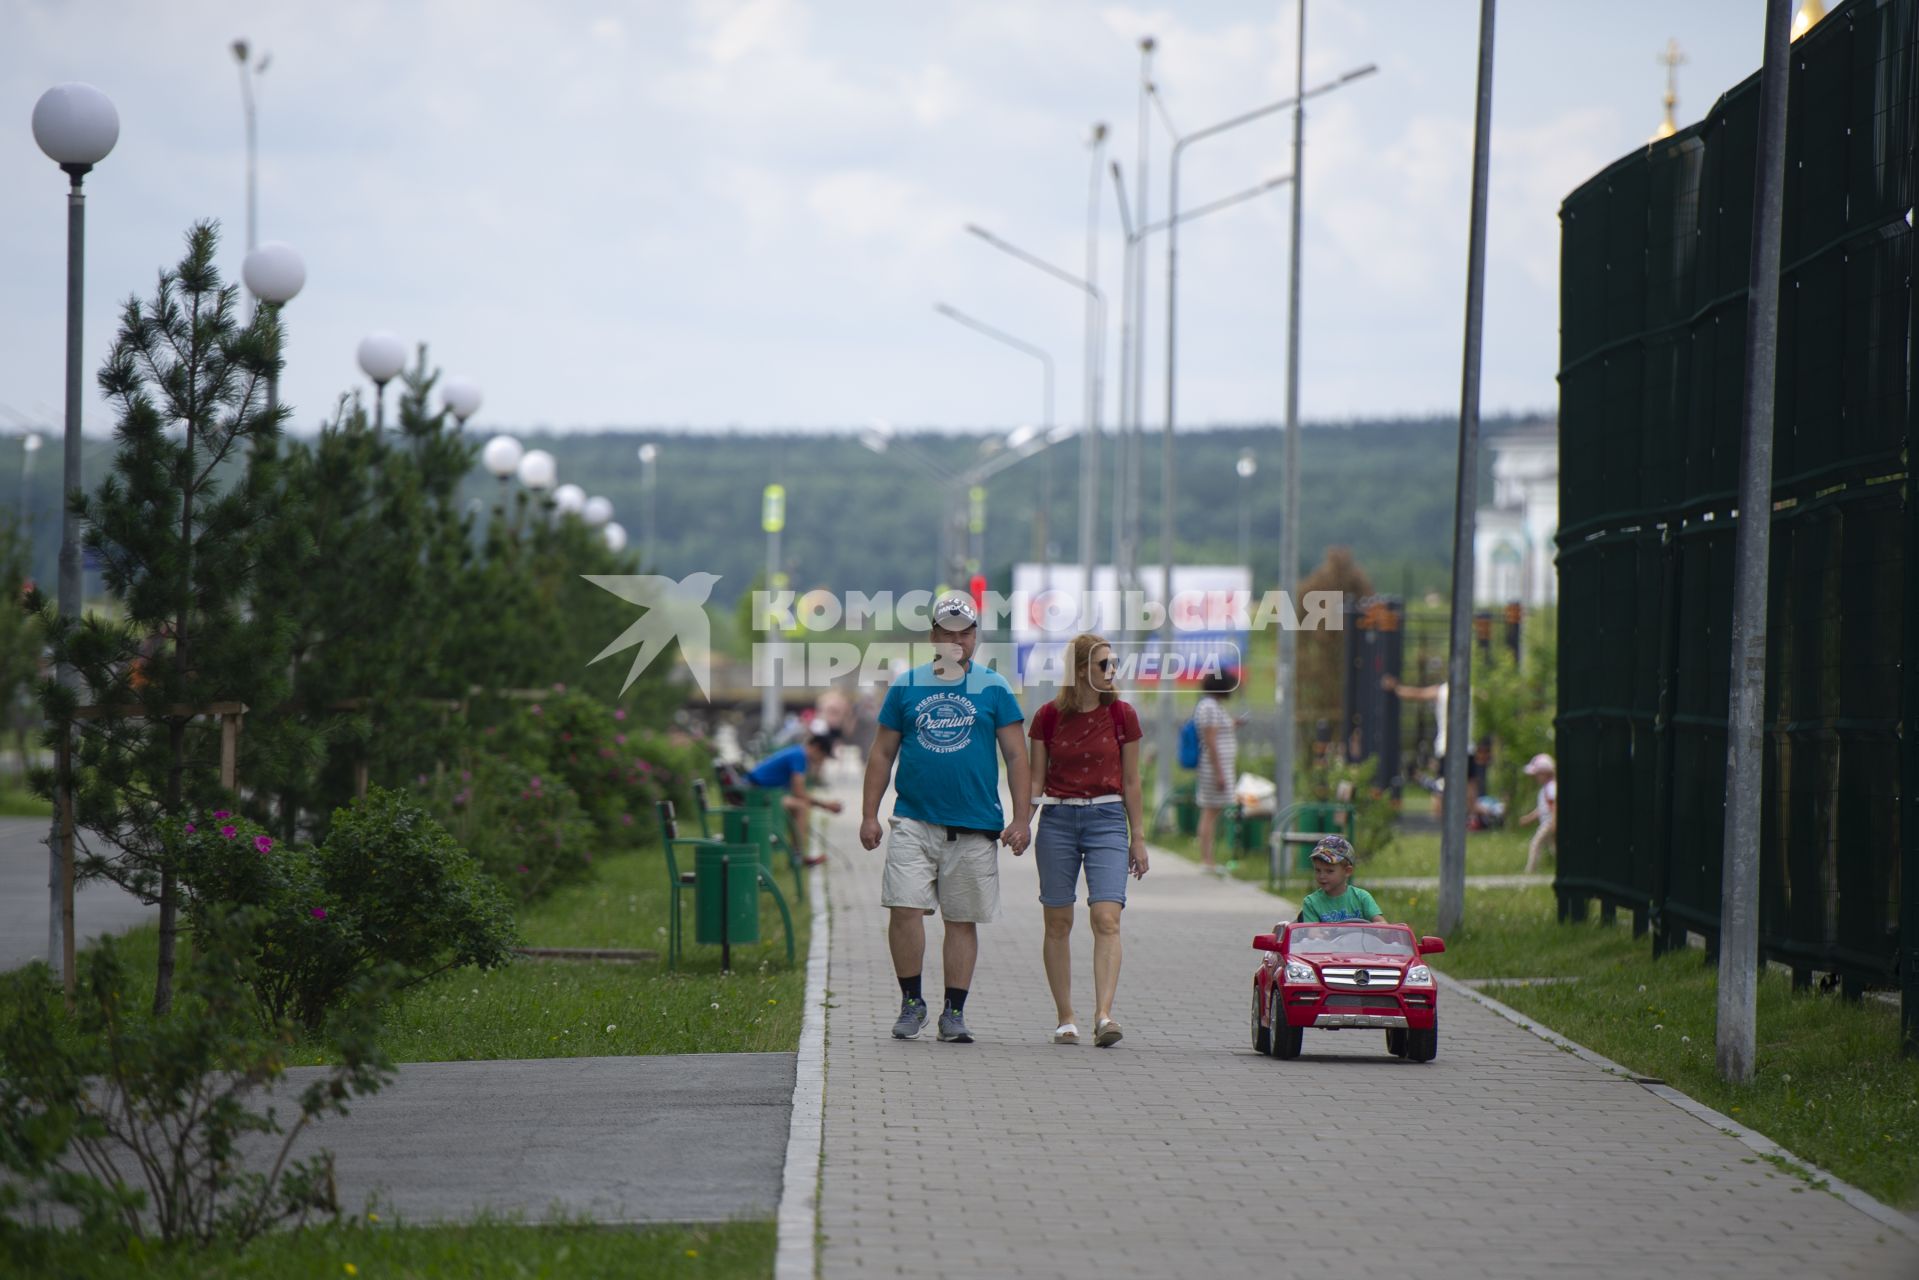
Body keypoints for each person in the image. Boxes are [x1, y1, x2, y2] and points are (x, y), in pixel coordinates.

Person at [859, 593, 1031, 1044]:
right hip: (913, 819)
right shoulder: (907, 686)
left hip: (974, 825)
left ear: (975, 637)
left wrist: (1021, 818)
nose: (957, 640)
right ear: (934, 636)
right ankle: (911, 1002)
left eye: (966, 632)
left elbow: (1016, 755)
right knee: (904, 907)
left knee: (961, 919)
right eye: (948, 632)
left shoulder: (994, 687)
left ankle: (954, 1012)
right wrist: (869, 815)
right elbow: (881, 753)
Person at [1024, 632, 1147, 1048]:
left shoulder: (1123, 716)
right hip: (1058, 818)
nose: (1112, 671)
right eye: (1103, 665)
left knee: (1107, 917)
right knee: (1058, 921)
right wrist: (1022, 822)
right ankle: (1066, 1018)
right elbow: (1036, 779)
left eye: (1114, 664)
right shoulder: (1047, 717)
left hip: (1108, 819)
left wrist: (1139, 838)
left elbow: (1132, 781)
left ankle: (1103, 1015)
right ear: (1080, 670)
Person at [743, 724, 843, 866]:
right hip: (756, 792)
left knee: (798, 806)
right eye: (823, 756)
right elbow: (799, 793)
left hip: (762, 792)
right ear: (816, 748)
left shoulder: (798, 753)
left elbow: (800, 790)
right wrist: (825, 805)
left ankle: (797, 854)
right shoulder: (799, 756)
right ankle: (797, 857)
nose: (822, 761)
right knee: (800, 807)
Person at [1192, 670, 1238, 875]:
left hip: (1218, 766)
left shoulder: (1210, 706)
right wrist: (1219, 772)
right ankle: (1207, 859)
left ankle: (1208, 858)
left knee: (1212, 812)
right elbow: (1211, 740)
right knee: (1210, 812)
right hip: (1214, 767)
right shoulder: (1209, 707)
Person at [1299, 835, 1386, 923]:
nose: (1322, 876)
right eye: (1318, 870)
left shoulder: (1362, 898)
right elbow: (1312, 933)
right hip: (1327, 937)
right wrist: (1318, 933)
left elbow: (1381, 924)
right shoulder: (1311, 903)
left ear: (1347, 871)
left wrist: (1375, 927)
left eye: (1329, 871)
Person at [1520, 752, 1557, 873]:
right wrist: (1529, 818)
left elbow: (1554, 806)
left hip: (1549, 823)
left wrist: (1554, 822)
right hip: (1548, 822)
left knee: (1535, 844)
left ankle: (1530, 871)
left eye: (1537, 774)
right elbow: (1542, 809)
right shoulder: (1546, 788)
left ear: (1545, 773)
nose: (1536, 777)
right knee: (1554, 848)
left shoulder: (1551, 787)